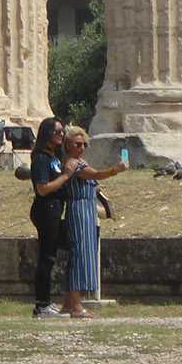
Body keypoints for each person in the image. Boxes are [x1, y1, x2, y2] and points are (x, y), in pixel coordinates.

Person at [58, 124, 128, 319]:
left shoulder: (79, 162)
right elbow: (96, 175)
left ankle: (69, 304)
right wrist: (115, 170)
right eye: (77, 144)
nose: (81, 148)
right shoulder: (74, 164)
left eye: (84, 144)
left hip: (87, 210)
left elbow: (94, 181)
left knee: (82, 256)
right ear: (68, 145)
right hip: (79, 210)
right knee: (80, 256)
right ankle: (76, 305)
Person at [27, 117, 71, 318]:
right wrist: (65, 177)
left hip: (55, 208)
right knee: (47, 257)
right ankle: (42, 304)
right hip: (46, 208)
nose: (61, 135)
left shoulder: (55, 157)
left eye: (62, 132)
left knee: (54, 254)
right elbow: (42, 189)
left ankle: (51, 300)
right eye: (58, 132)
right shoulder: (41, 159)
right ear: (47, 134)